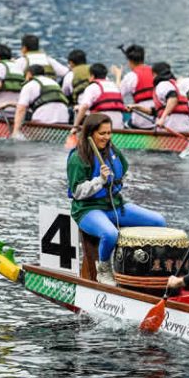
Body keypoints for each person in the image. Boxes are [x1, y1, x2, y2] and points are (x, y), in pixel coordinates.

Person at [67, 113, 166, 285]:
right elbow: (77, 192)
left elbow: (123, 171)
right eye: (102, 133)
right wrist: (100, 181)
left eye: (109, 132)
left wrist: (114, 182)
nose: (107, 137)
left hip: (114, 205)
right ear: (90, 133)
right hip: (88, 209)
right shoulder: (78, 157)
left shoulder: (112, 151)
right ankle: (103, 270)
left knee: (159, 222)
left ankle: (142, 266)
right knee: (110, 234)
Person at [129, 62, 189, 133]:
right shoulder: (177, 85)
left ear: (155, 74)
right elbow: (155, 111)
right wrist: (136, 107)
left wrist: (162, 118)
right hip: (186, 129)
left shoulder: (162, 85)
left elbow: (173, 97)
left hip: (170, 130)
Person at [10, 65, 70, 137]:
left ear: (29, 74)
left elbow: (21, 109)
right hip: (63, 121)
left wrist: (15, 132)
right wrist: (8, 104)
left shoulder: (29, 85)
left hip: (43, 124)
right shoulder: (54, 83)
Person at [70, 63, 126, 132]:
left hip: (101, 129)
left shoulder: (92, 87)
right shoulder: (114, 86)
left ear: (92, 76)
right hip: (119, 128)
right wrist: (118, 75)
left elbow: (84, 106)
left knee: (79, 111)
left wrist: (75, 126)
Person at [112, 44, 156, 130]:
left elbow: (116, 96)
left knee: (125, 123)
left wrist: (118, 76)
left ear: (129, 61)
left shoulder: (131, 76)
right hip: (158, 116)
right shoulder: (155, 72)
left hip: (142, 122)